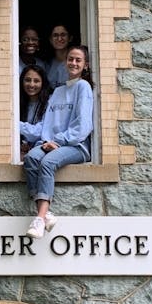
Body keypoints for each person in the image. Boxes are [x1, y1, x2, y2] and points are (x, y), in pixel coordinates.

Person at [22, 45, 94, 239]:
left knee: (47, 163)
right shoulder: (57, 92)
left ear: (85, 65)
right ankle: (46, 214)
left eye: (78, 60)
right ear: (65, 62)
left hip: (76, 146)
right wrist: (13, 124)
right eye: (70, 59)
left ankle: (39, 218)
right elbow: (44, 126)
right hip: (51, 144)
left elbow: (83, 126)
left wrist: (58, 141)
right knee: (30, 159)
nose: (73, 63)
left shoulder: (83, 87)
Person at [19, 64, 51, 160]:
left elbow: (38, 132)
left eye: (36, 81)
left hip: (43, 150)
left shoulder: (50, 102)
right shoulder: (19, 102)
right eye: (27, 80)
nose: (31, 84)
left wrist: (13, 124)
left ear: (43, 83)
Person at [45, 24, 73, 89]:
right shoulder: (47, 64)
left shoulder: (75, 63)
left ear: (70, 38)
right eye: (55, 35)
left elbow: (80, 81)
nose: (59, 39)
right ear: (50, 40)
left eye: (63, 35)